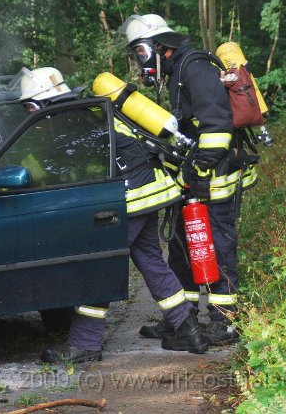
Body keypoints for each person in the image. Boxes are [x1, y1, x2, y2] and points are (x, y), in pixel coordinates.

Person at [19, 68, 208, 364]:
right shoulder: (88, 111)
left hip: (128, 199)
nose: (29, 113)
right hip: (148, 192)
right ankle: (188, 329)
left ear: (39, 103)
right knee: (150, 260)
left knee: (98, 266)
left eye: (29, 107)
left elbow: (74, 171)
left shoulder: (70, 122)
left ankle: (85, 344)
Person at [119, 13, 248, 346]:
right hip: (192, 180)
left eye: (141, 52)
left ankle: (225, 322)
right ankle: (182, 318)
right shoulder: (177, 72)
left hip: (215, 180)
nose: (139, 60)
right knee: (181, 247)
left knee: (219, 246)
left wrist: (201, 169)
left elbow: (218, 126)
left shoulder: (195, 68)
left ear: (159, 46)